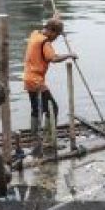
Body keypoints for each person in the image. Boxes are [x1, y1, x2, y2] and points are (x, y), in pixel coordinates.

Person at [22, 17, 75, 156]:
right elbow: (54, 58)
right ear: (51, 31)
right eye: (56, 35)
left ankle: (36, 139)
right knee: (53, 108)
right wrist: (70, 54)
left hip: (28, 78)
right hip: (36, 81)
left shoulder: (35, 34)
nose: (55, 38)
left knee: (36, 109)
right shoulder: (45, 42)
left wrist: (55, 18)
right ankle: (49, 141)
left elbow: (50, 26)